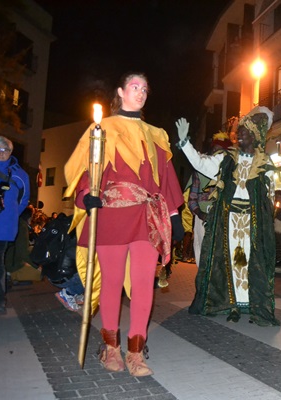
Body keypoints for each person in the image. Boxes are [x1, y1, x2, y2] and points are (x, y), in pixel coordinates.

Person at [64, 72, 184, 376]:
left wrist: (174, 217)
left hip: (146, 218)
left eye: (145, 88)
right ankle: (111, 348)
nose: (141, 92)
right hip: (111, 215)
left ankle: (135, 353)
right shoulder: (103, 128)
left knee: (145, 284)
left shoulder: (156, 134)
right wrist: (85, 196)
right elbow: (88, 168)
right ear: (121, 91)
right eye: (135, 86)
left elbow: (167, 180)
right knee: (112, 283)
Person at [178, 106, 280, 327]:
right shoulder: (226, 159)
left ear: (254, 135)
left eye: (243, 131)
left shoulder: (265, 166)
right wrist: (185, 143)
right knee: (231, 261)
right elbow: (201, 164)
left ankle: (248, 304)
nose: (238, 134)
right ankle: (232, 303)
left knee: (249, 263)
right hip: (230, 220)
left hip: (252, 223)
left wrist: (264, 223)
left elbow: (269, 198)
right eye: (239, 131)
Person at [0, 136, 30, 315]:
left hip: (1, 228)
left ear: (11, 153)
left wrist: (9, 215)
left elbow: (23, 201)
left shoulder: (20, 175)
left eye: (6, 150)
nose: (1, 153)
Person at [187, 131, 233, 268]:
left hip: (223, 220)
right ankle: (203, 287)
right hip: (202, 220)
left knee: (221, 260)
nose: (218, 155)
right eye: (216, 150)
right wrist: (201, 215)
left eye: (222, 151)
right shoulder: (200, 169)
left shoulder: (230, 172)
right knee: (202, 257)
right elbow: (192, 199)